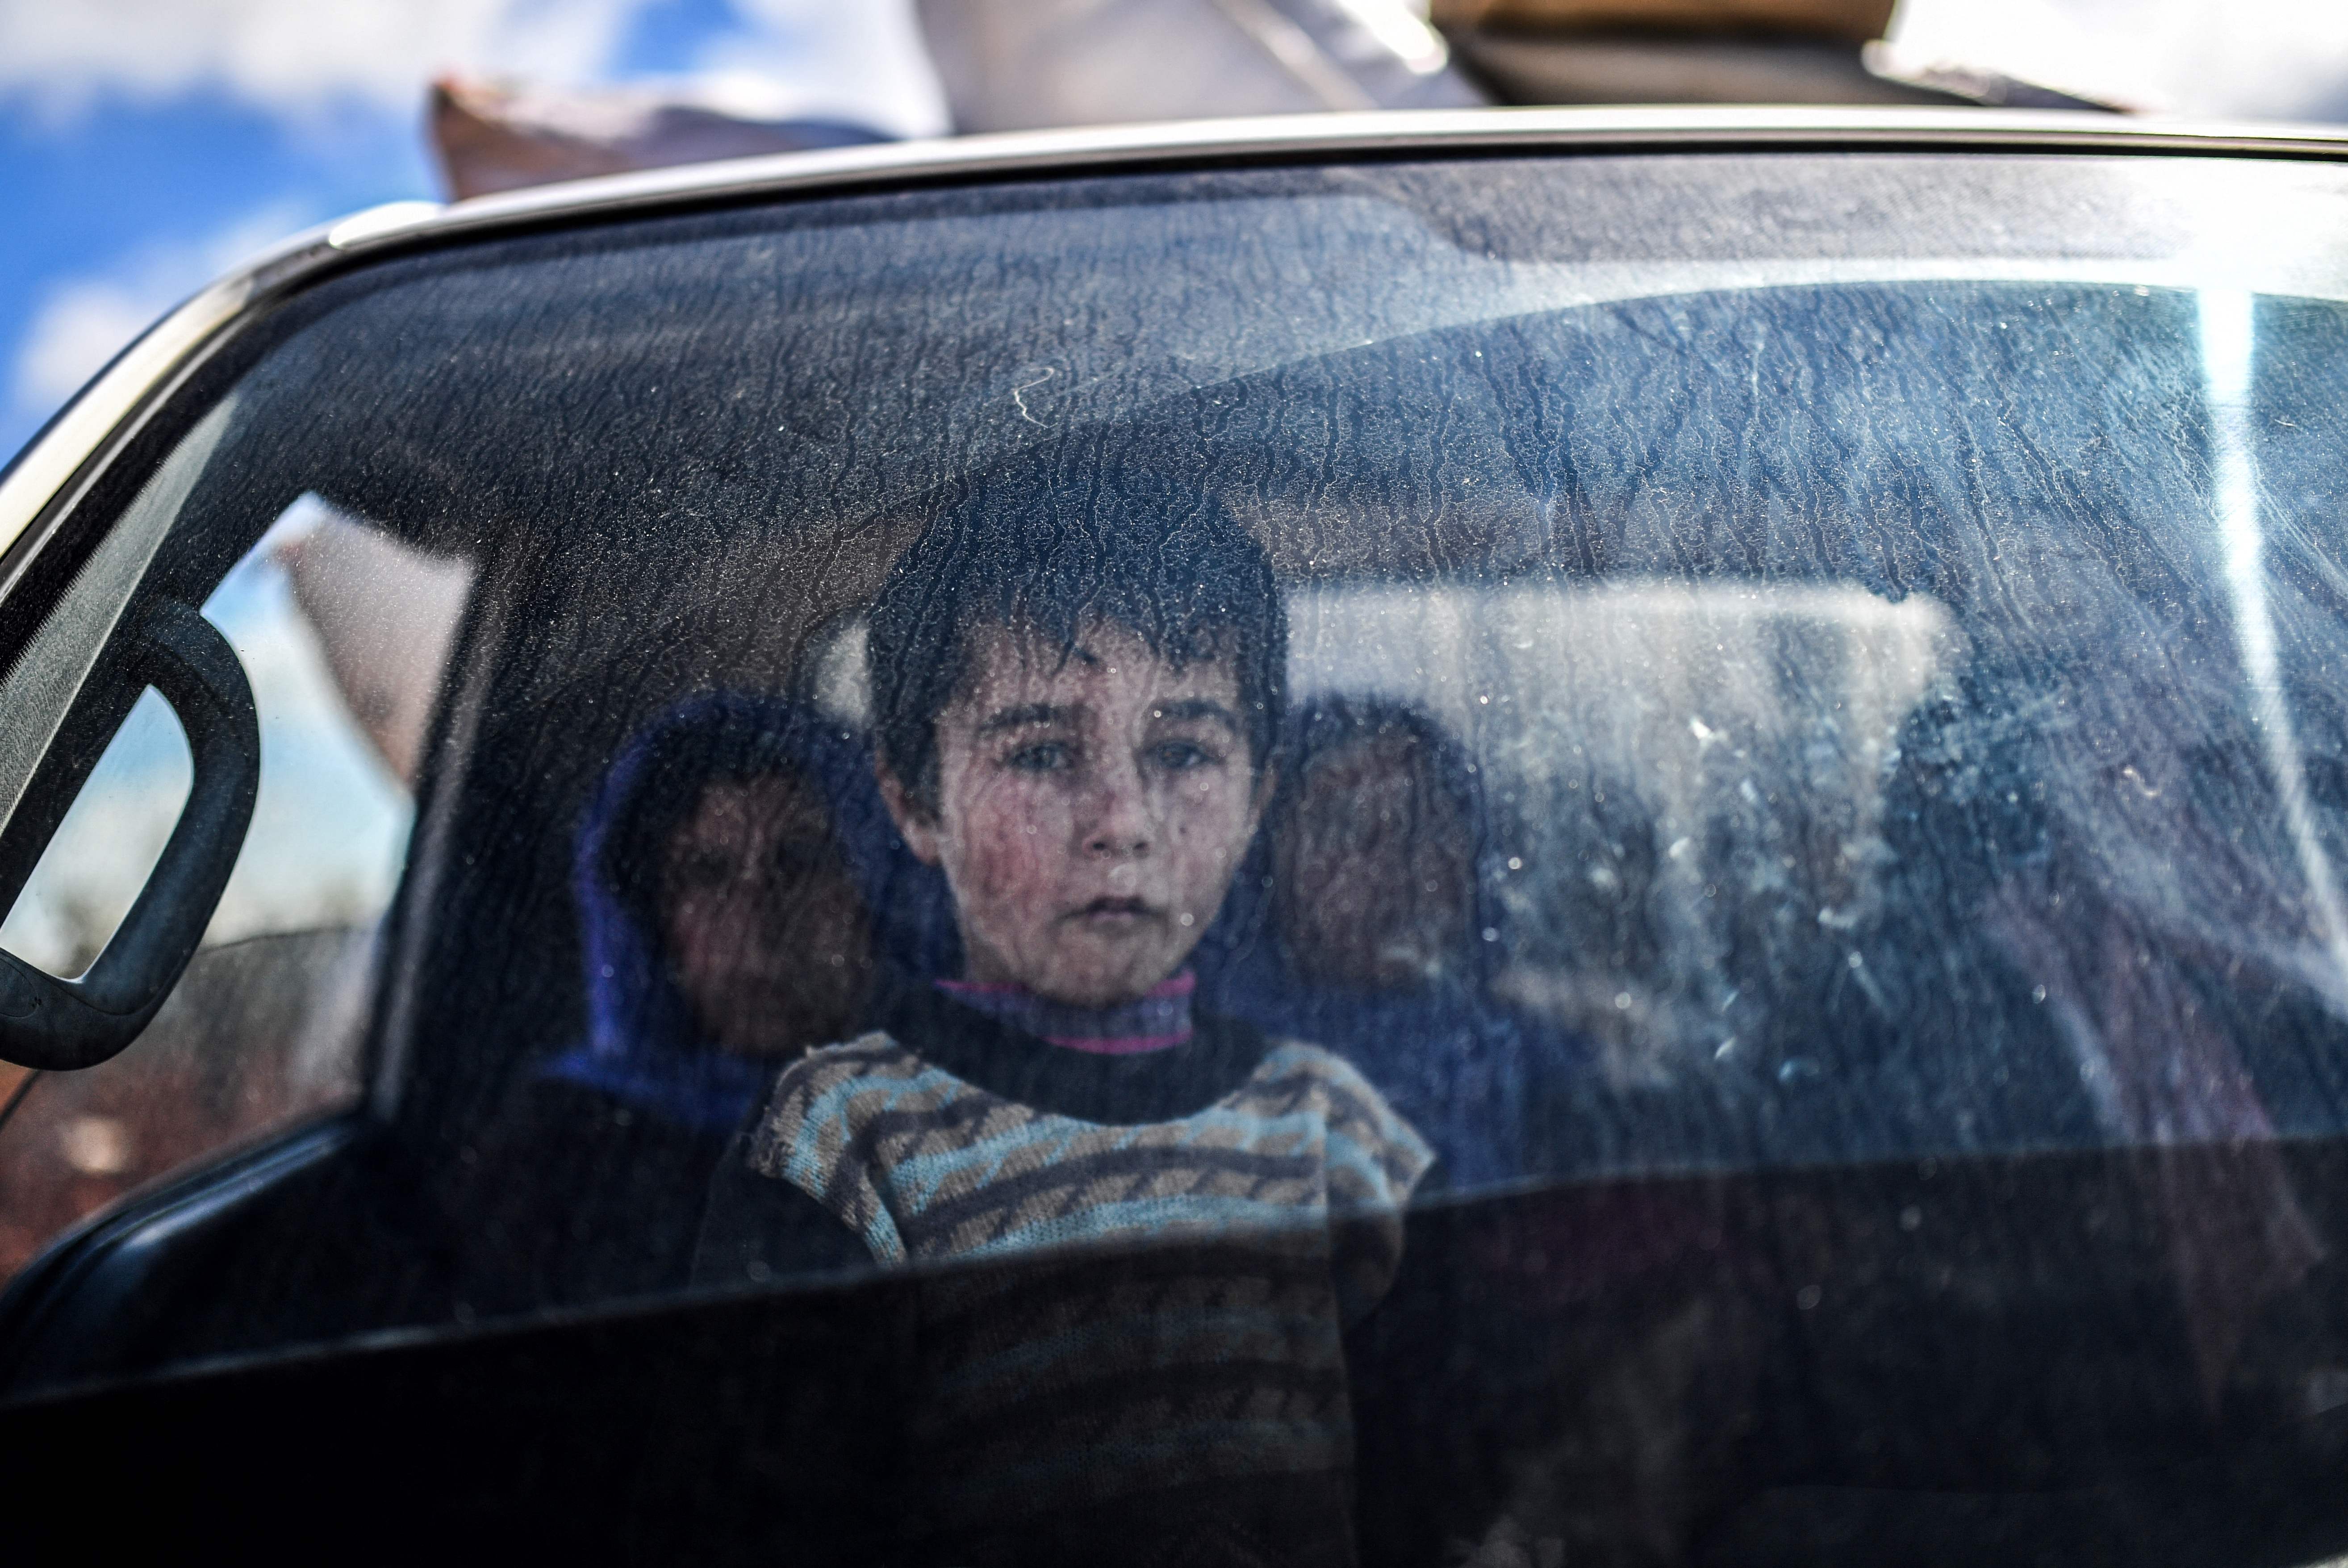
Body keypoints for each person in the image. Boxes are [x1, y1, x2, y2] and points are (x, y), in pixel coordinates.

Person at [695, 468, 1434, 1561]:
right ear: (912, 801)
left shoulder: (1332, 1130)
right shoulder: (842, 1145)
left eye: (1183, 751)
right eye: (1042, 753)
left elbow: (1428, 1484)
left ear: (1259, 794)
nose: (1121, 822)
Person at [455, 696, 894, 1311]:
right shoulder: (562, 1153)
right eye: (706, 872)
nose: (756, 920)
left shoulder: (968, 1106)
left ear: (874, 888)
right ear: (647, 921)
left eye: (800, 858)